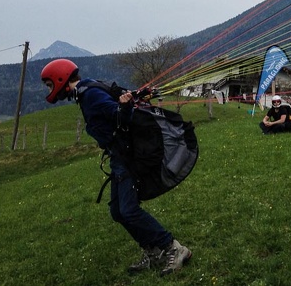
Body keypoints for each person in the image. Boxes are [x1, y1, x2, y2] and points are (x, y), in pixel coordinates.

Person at [40, 58, 191, 276]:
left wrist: (124, 107)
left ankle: (173, 248)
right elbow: (117, 101)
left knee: (129, 210)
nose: (49, 89)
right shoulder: (88, 89)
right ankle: (153, 251)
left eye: (49, 84)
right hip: (119, 158)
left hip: (127, 157)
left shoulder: (89, 95)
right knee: (118, 211)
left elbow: (120, 116)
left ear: (60, 78)